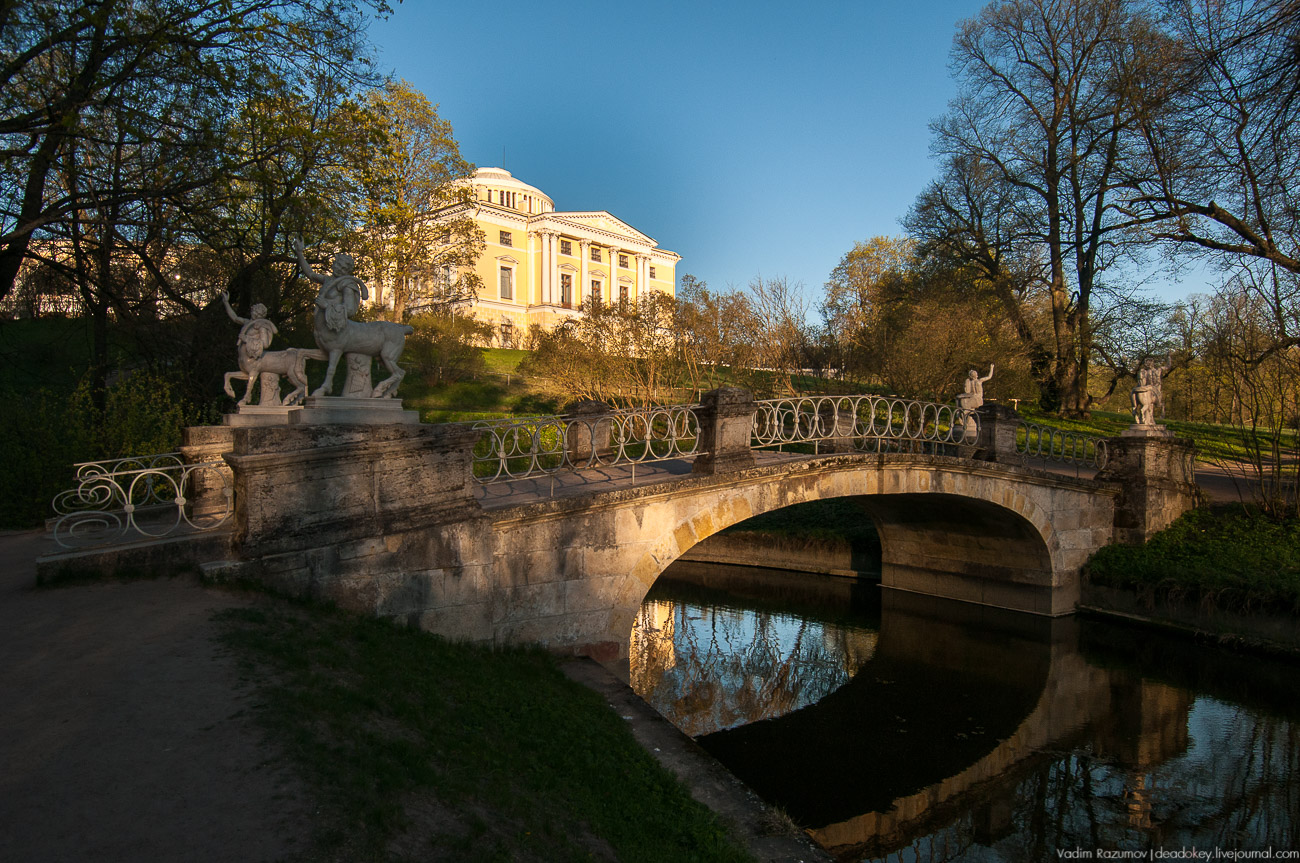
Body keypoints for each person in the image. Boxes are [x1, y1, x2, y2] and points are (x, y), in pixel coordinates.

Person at [292, 237, 368, 325]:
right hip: (321, 326)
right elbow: (310, 274)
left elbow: (350, 310)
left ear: (347, 272)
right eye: (338, 265)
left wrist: (327, 306)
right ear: (334, 264)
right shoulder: (327, 280)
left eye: (343, 269)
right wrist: (299, 253)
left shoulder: (346, 284)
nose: (339, 269)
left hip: (335, 328)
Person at [221, 291, 277, 358]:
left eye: (257, 313)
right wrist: (226, 302)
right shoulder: (247, 322)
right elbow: (235, 318)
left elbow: (265, 344)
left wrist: (247, 339)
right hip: (243, 355)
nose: (255, 314)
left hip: (252, 357)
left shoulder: (261, 326)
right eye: (254, 311)